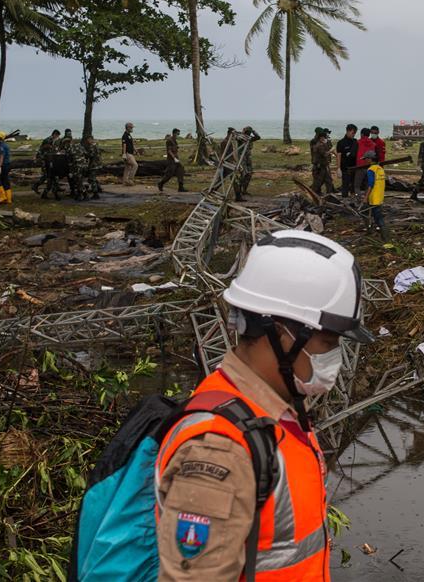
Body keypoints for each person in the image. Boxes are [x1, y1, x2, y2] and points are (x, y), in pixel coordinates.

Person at [154, 229, 372, 580]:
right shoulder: (219, 450)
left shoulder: (275, 414)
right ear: (280, 333)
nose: (336, 357)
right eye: (328, 340)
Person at [363, 150, 389, 241]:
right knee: (376, 215)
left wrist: (365, 197)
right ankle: (374, 231)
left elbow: (370, 184)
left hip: (374, 197)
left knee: (377, 217)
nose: (365, 161)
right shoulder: (380, 169)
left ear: (370, 159)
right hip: (380, 196)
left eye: (366, 159)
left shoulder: (371, 170)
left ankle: (385, 238)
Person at [234, 126, 261, 201]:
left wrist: (253, 131)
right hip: (242, 158)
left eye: (249, 132)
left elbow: (258, 137)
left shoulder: (250, 138)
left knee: (249, 174)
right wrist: (240, 133)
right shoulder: (241, 138)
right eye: (248, 131)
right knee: (244, 174)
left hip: (248, 158)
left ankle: (244, 190)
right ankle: (239, 191)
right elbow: (236, 137)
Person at [158, 128, 186, 193]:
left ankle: (181, 187)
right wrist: (174, 158)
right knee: (169, 174)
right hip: (171, 160)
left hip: (176, 159)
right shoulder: (169, 141)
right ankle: (161, 183)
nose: (178, 135)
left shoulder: (175, 140)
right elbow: (169, 151)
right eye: (177, 134)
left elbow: (175, 149)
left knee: (181, 170)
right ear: (174, 133)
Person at [34, 129, 61, 194]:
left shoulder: (52, 140)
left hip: (48, 159)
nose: (57, 137)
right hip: (44, 159)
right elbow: (46, 149)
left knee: (53, 173)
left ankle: (56, 188)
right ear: (54, 134)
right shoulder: (48, 140)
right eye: (57, 136)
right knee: (46, 175)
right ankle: (35, 186)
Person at [311, 128, 335, 195]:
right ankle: (314, 194)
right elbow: (325, 154)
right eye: (324, 137)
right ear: (321, 138)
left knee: (328, 181)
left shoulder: (322, 144)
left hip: (324, 166)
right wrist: (331, 150)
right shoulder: (319, 145)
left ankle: (329, 194)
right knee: (318, 183)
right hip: (320, 167)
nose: (325, 138)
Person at [336, 124, 358, 197]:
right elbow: (338, 155)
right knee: (345, 185)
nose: (354, 134)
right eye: (353, 132)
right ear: (348, 131)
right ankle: (344, 199)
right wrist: (338, 168)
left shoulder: (355, 141)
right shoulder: (341, 143)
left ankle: (353, 197)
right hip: (345, 168)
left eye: (355, 133)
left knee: (353, 184)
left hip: (354, 167)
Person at [354, 128, 376, 197]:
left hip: (360, 166)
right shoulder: (373, 144)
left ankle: (358, 198)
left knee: (357, 186)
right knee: (368, 184)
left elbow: (353, 154)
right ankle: (367, 198)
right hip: (369, 166)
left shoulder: (358, 142)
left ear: (362, 134)